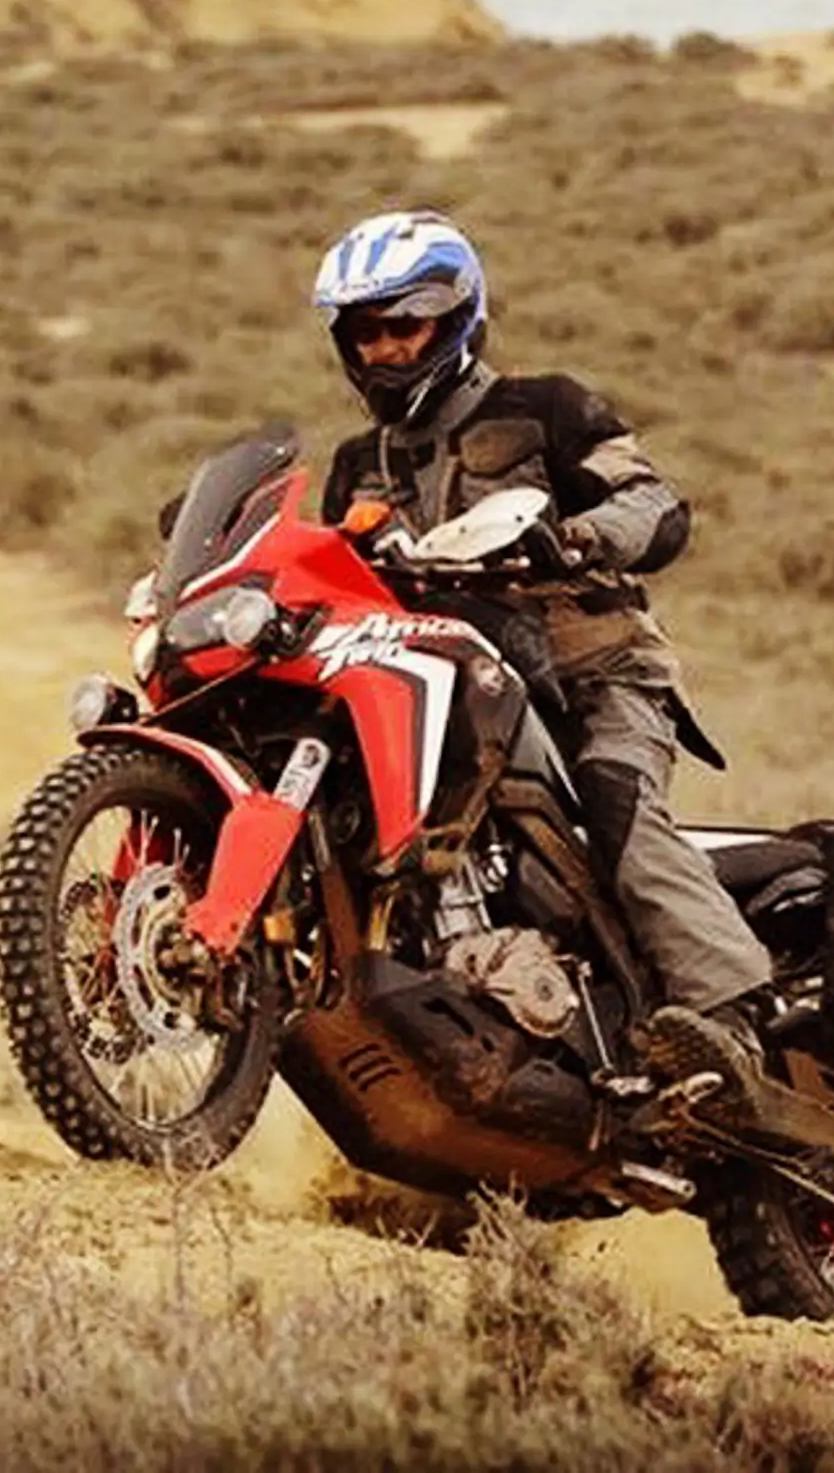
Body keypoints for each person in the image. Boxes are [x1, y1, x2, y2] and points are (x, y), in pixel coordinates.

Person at [309, 208, 774, 1112]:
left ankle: (737, 1023)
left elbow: (654, 504)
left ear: (456, 317)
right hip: (445, 689)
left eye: (406, 325)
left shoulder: (546, 408)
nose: (389, 350)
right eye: (368, 332)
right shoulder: (354, 462)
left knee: (620, 811)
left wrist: (582, 535)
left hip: (591, 674)